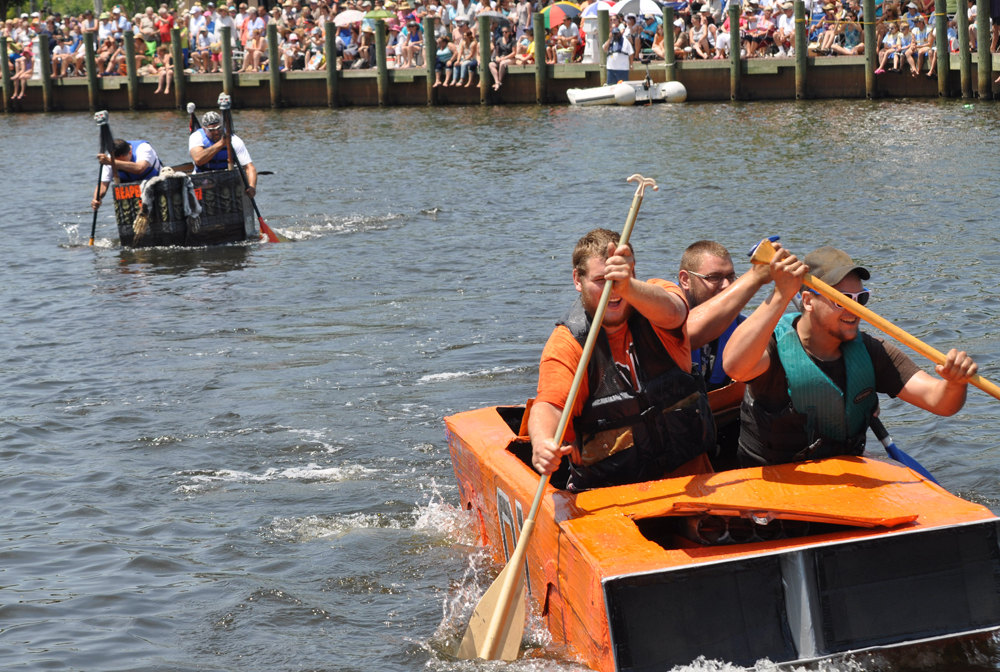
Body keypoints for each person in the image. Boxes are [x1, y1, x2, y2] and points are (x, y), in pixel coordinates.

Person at [722, 246, 978, 467]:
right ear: (808, 301)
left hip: (844, 484)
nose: (854, 310)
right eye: (842, 300)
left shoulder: (871, 351)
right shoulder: (774, 346)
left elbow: (941, 403)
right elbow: (735, 367)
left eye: (860, 299)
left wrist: (955, 382)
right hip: (773, 487)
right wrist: (781, 294)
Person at [528, 229, 716, 492]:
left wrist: (629, 286)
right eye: (601, 280)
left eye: (619, 279)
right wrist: (542, 443)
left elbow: (675, 312)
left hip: (690, 484)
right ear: (577, 280)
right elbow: (549, 405)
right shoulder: (567, 343)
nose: (613, 291)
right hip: (613, 496)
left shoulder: (659, 299)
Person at [188, 111, 257, 198]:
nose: (216, 132)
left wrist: (252, 187)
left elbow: (250, 168)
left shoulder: (234, 140)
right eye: (211, 130)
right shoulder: (197, 137)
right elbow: (198, 160)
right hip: (201, 182)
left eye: (219, 128)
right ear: (204, 129)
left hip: (226, 182)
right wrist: (221, 143)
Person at [91, 138, 162, 211]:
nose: (120, 165)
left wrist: (112, 162)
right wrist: (97, 198)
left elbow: (139, 168)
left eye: (122, 162)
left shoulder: (143, 148)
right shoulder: (109, 159)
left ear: (130, 152)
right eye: (117, 162)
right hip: (131, 194)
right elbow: (103, 184)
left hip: (156, 188)